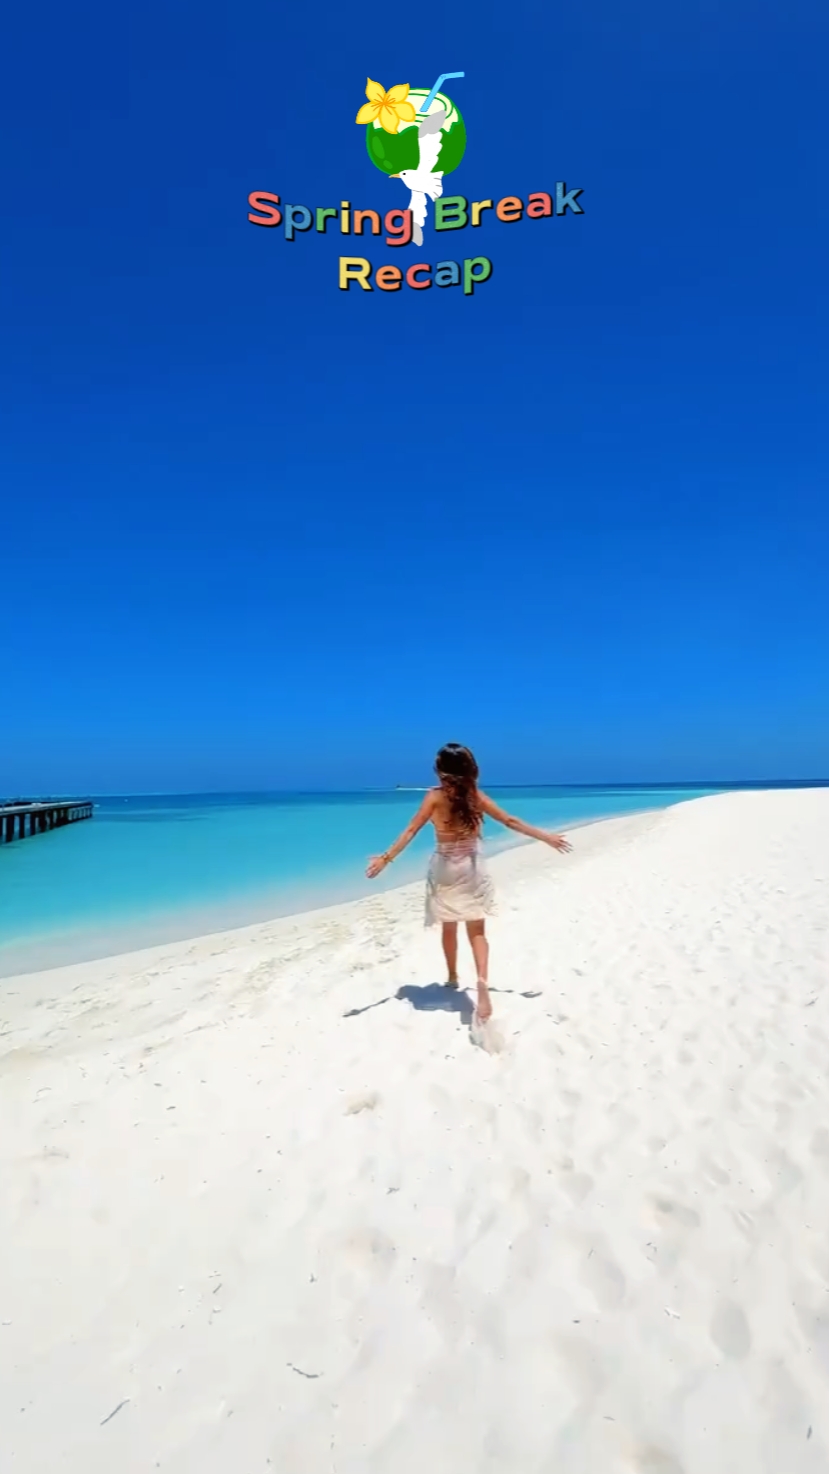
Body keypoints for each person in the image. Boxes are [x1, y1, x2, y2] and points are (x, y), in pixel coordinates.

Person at [366, 743, 572, 1023]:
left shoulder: (434, 798)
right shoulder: (475, 796)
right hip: (472, 868)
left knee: (449, 925)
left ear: (440, 771)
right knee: (477, 930)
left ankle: (452, 976)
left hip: (444, 869)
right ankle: (482, 980)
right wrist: (546, 837)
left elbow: (412, 829)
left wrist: (385, 859)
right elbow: (509, 821)